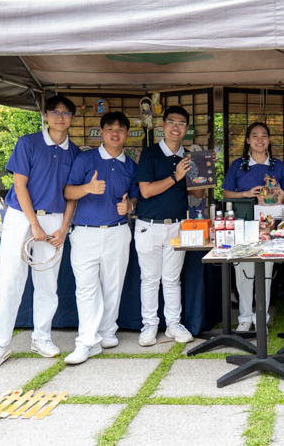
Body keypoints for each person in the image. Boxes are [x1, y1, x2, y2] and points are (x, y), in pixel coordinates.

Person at [0, 96, 80, 372]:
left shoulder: (75, 152)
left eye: (66, 113)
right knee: (10, 278)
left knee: (48, 282)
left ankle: (41, 338)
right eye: (55, 112)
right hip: (21, 215)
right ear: (46, 115)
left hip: (55, 219)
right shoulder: (28, 143)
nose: (61, 118)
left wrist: (63, 228)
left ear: (72, 118)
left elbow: (71, 195)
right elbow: (20, 185)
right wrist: (34, 223)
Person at [63, 111, 140, 364]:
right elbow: (68, 191)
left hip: (118, 232)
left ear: (127, 134)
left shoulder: (131, 165)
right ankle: (86, 341)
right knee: (86, 288)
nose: (115, 133)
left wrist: (129, 208)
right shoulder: (85, 159)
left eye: (120, 129)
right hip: (85, 232)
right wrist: (88, 188)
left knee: (113, 285)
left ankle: (107, 332)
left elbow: (135, 197)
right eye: (109, 129)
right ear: (101, 132)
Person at [134, 105, 204, 346]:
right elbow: (145, 191)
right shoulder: (150, 154)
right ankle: (149, 325)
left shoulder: (190, 157)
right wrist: (176, 176)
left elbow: (197, 195)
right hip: (148, 225)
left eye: (181, 124)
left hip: (178, 225)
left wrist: (203, 172)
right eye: (172, 122)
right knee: (150, 279)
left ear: (186, 129)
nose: (176, 127)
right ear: (163, 126)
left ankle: (173, 324)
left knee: (173, 279)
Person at [222, 122, 284, 332]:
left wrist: (279, 194)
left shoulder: (277, 165)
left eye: (264, 136)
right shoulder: (238, 165)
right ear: (248, 140)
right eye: (255, 136)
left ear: (269, 140)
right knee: (243, 271)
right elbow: (225, 194)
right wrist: (246, 194)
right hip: (243, 224)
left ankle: (262, 317)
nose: (259, 140)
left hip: (269, 225)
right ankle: (244, 317)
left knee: (266, 272)